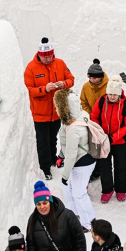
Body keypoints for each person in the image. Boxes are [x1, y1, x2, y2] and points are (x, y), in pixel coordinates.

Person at [24, 38, 75, 179]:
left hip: (56, 111)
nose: (47, 60)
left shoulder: (60, 63)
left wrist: (63, 83)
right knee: (43, 141)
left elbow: (71, 79)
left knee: (53, 138)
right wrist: (44, 89)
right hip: (40, 113)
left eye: (50, 56)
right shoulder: (31, 68)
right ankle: (45, 168)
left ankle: (53, 159)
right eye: (45, 57)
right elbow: (29, 89)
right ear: (39, 55)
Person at [26, 181, 86, 251]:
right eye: (38, 204)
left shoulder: (67, 216)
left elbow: (80, 241)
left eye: (45, 203)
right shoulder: (33, 220)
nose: (42, 207)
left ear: (50, 201)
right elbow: (31, 245)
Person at [54, 89, 97, 231]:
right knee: (69, 188)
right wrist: (61, 155)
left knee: (79, 193)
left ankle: (89, 223)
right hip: (79, 160)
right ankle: (73, 215)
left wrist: (65, 176)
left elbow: (71, 155)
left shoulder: (74, 129)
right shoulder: (79, 116)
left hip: (82, 163)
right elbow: (65, 144)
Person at [91, 76, 126, 203]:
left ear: (119, 93)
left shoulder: (125, 104)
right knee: (105, 166)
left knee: (120, 165)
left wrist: (114, 137)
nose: (112, 97)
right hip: (104, 140)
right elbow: (94, 117)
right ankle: (107, 190)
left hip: (119, 141)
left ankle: (120, 189)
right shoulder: (101, 101)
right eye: (110, 94)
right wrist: (101, 134)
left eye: (115, 94)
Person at [81, 59, 108, 182]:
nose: (91, 80)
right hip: (93, 121)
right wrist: (91, 115)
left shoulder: (108, 86)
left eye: (93, 78)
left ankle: (125, 165)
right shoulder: (86, 86)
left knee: (109, 145)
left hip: (106, 121)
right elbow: (83, 102)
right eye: (89, 77)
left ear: (100, 77)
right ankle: (97, 170)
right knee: (95, 146)